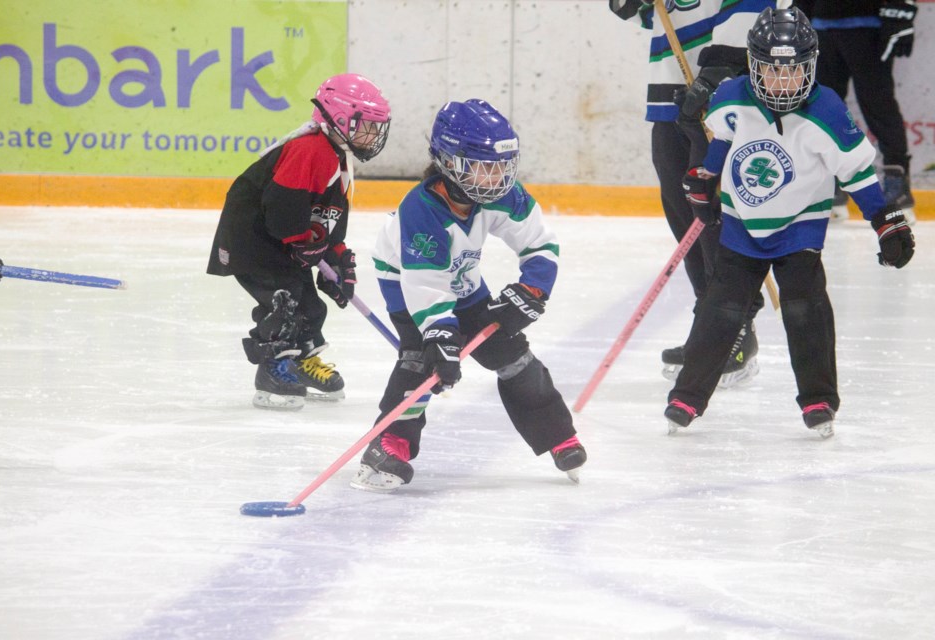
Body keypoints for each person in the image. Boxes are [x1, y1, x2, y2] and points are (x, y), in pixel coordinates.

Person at [664, 7, 915, 438]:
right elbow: (720, 146)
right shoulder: (731, 99)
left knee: (805, 308)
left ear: (811, 67)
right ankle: (687, 396)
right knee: (720, 309)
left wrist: (885, 220)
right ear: (754, 65)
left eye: (794, 71)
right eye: (772, 71)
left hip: (800, 227)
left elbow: (856, 175)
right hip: (742, 225)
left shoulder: (828, 110)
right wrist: (703, 178)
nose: (783, 82)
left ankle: (818, 399)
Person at [349, 99, 586, 493]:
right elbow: (426, 285)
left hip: (462, 279)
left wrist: (532, 289)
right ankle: (388, 443)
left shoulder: (497, 192)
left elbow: (539, 243)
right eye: (484, 167)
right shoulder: (421, 211)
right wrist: (439, 333)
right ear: (450, 161)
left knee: (513, 356)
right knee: (421, 360)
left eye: (502, 167)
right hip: (405, 282)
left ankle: (557, 434)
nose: (496, 178)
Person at [609, 0, 792, 386]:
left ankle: (735, 323)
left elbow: (756, 7)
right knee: (685, 214)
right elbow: (651, 14)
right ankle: (709, 319)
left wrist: (717, 73)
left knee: (714, 217)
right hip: (668, 92)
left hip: (720, 92)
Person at [206, 73, 391, 410]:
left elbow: (327, 214)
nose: (372, 135)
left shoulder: (336, 155)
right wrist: (301, 241)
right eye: (365, 125)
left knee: (307, 303)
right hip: (254, 239)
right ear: (338, 117)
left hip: (282, 239)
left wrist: (335, 255)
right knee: (284, 301)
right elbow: (282, 205)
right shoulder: (310, 149)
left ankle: (301, 360)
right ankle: (273, 370)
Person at [794, 0, 917, 223]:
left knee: (879, 106)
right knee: (821, 109)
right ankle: (828, 186)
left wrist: (901, 14)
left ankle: (896, 184)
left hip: (868, 26)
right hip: (820, 27)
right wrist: (797, 17)